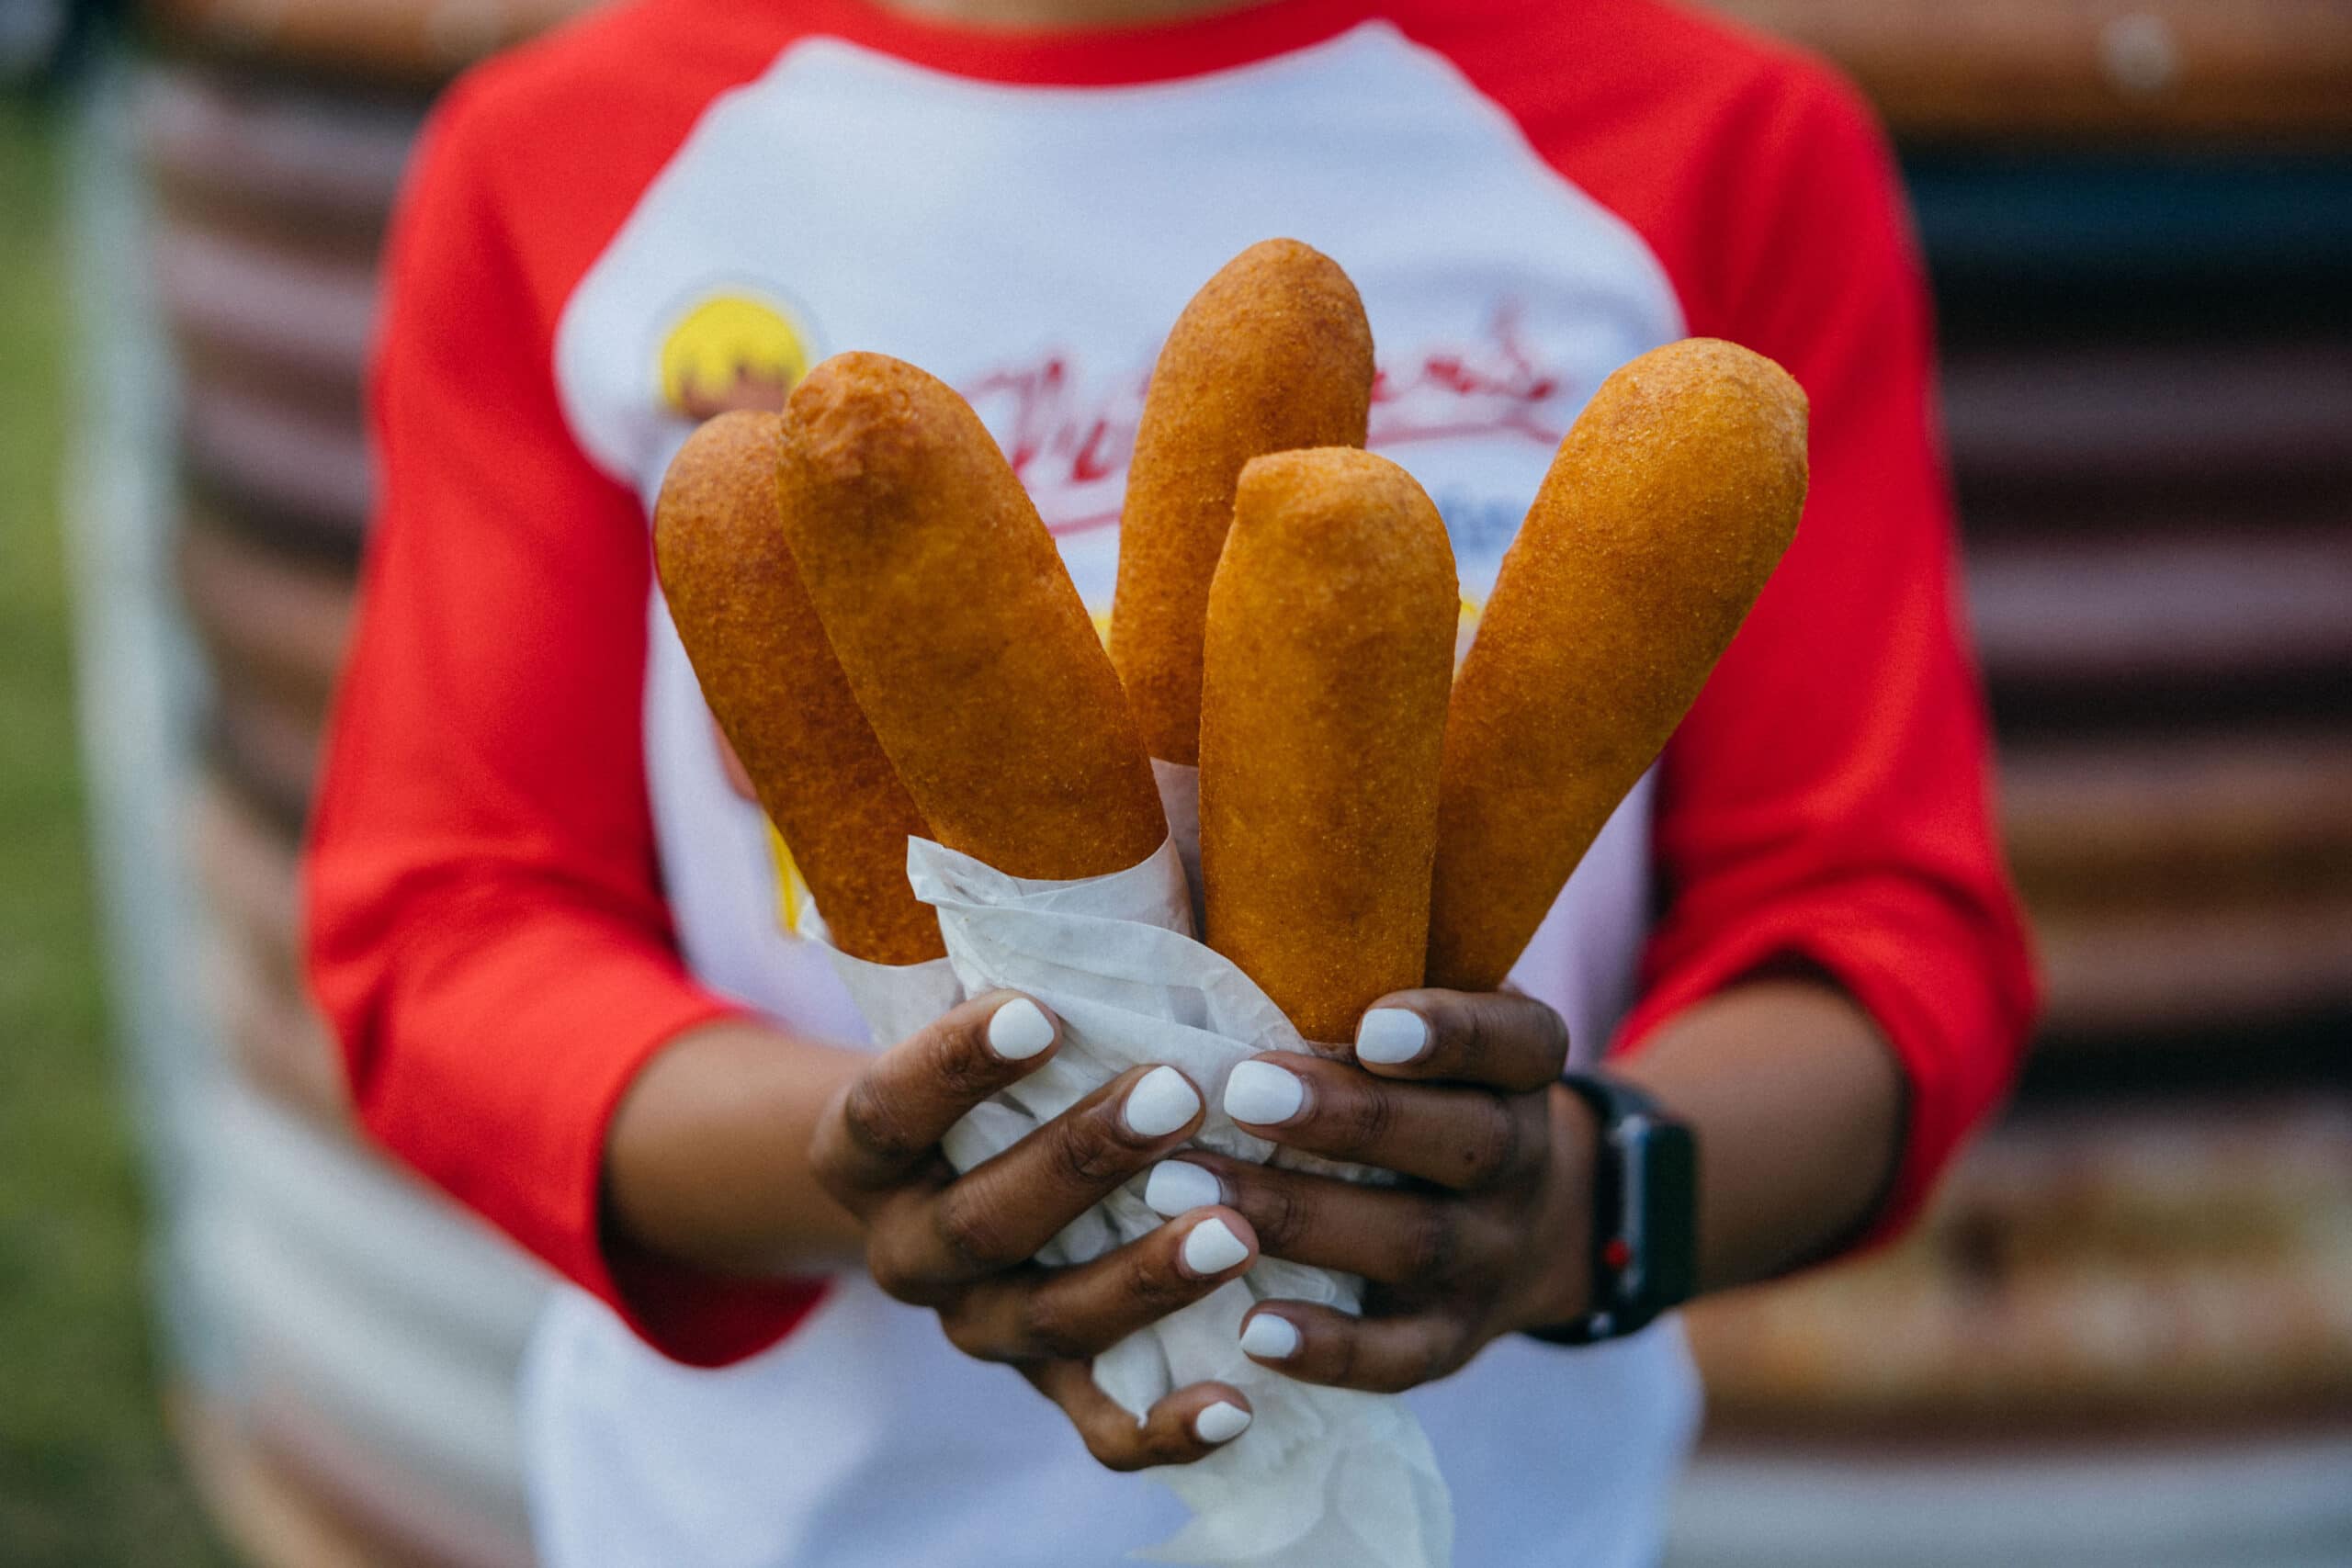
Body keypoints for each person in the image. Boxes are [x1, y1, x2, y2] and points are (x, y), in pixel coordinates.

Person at [303, 0, 2039, 1562]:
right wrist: (866, 1170)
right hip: (787, 1523)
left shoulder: (1716, 141)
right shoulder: (571, 155)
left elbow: (1883, 941)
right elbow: (446, 930)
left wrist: (1573, 1197)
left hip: (1507, 1525)